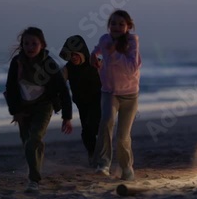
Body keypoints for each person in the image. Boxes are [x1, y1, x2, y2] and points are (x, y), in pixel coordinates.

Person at [5, 27, 73, 193]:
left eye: (34, 43)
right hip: (23, 108)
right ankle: (35, 167)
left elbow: (63, 90)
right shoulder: (17, 62)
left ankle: (33, 180)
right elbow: (11, 88)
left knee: (33, 140)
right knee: (29, 143)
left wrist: (67, 117)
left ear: (42, 45)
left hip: (44, 106)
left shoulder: (48, 64)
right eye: (26, 43)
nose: (30, 47)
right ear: (22, 45)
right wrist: (16, 111)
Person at [90, 10, 141, 181]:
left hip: (130, 95)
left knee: (122, 135)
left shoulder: (132, 42)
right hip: (109, 92)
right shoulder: (105, 39)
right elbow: (98, 50)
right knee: (106, 122)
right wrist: (93, 56)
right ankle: (103, 164)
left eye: (121, 24)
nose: (116, 27)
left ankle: (126, 168)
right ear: (108, 26)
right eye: (113, 23)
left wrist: (114, 54)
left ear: (128, 27)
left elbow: (131, 67)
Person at [59, 35, 101, 166]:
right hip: (82, 104)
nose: (73, 57)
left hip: (98, 101)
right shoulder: (67, 68)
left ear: (82, 52)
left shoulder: (96, 63)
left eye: (75, 54)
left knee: (94, 126)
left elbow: (114, 76)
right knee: (86, 132)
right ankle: (92, 155)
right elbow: (56, 83)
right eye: (70, 55)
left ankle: (100, 157)